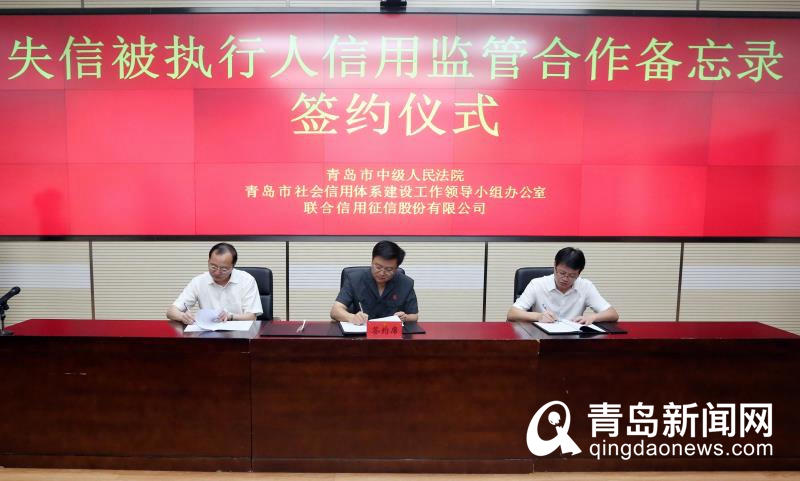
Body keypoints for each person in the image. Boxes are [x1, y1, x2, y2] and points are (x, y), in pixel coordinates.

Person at [507, 247, 618, 325]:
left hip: (573, 340)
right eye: (562, 273)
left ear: (579, 272)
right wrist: (538, 316)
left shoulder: (585, 286)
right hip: (542, 338)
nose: (565, 278)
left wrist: (592, 317)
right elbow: (512, 313)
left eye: (572, 275)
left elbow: (612, 314)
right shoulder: (537, 284)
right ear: (555, 266)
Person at [166, 242, 262, 325]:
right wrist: (182, 316)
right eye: (213, 267)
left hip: (240, 334)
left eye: (223, 269)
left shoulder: (247, 280)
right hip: (208, 334)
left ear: (233, 266)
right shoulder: (199, 281)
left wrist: (230, 316)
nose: (217, 272)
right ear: (208, 262)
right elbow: (171, 311)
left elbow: (251, 317)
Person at [330, 240, 419, 325]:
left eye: (388, 269)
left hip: (390, 333)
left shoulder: (406, 283)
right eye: (378, 267)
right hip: (361, 332)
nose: (382, 273)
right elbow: (335, 311)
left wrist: (405, 317)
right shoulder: (354, 279)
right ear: (372, 261)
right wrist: (352, 317)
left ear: (396, 268)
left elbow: (414, 316)